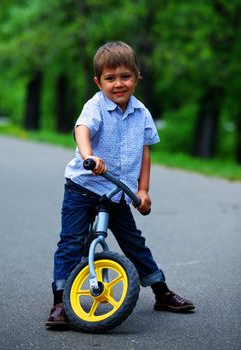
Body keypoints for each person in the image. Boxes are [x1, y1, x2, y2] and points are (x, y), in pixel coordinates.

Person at [46, 41, 195, 327]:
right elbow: (82, 129)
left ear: (137, 78)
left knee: (134, 243)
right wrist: (90, 157)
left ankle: (161, 292)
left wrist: (143, 191)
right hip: (83, 187)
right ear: (98, 81)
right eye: (110, 78)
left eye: (125, 77)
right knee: (71, 242)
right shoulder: (95, 106)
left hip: (117, 193)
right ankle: (60, 303)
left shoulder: (142, 113)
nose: (118, 84)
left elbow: (145, 152)